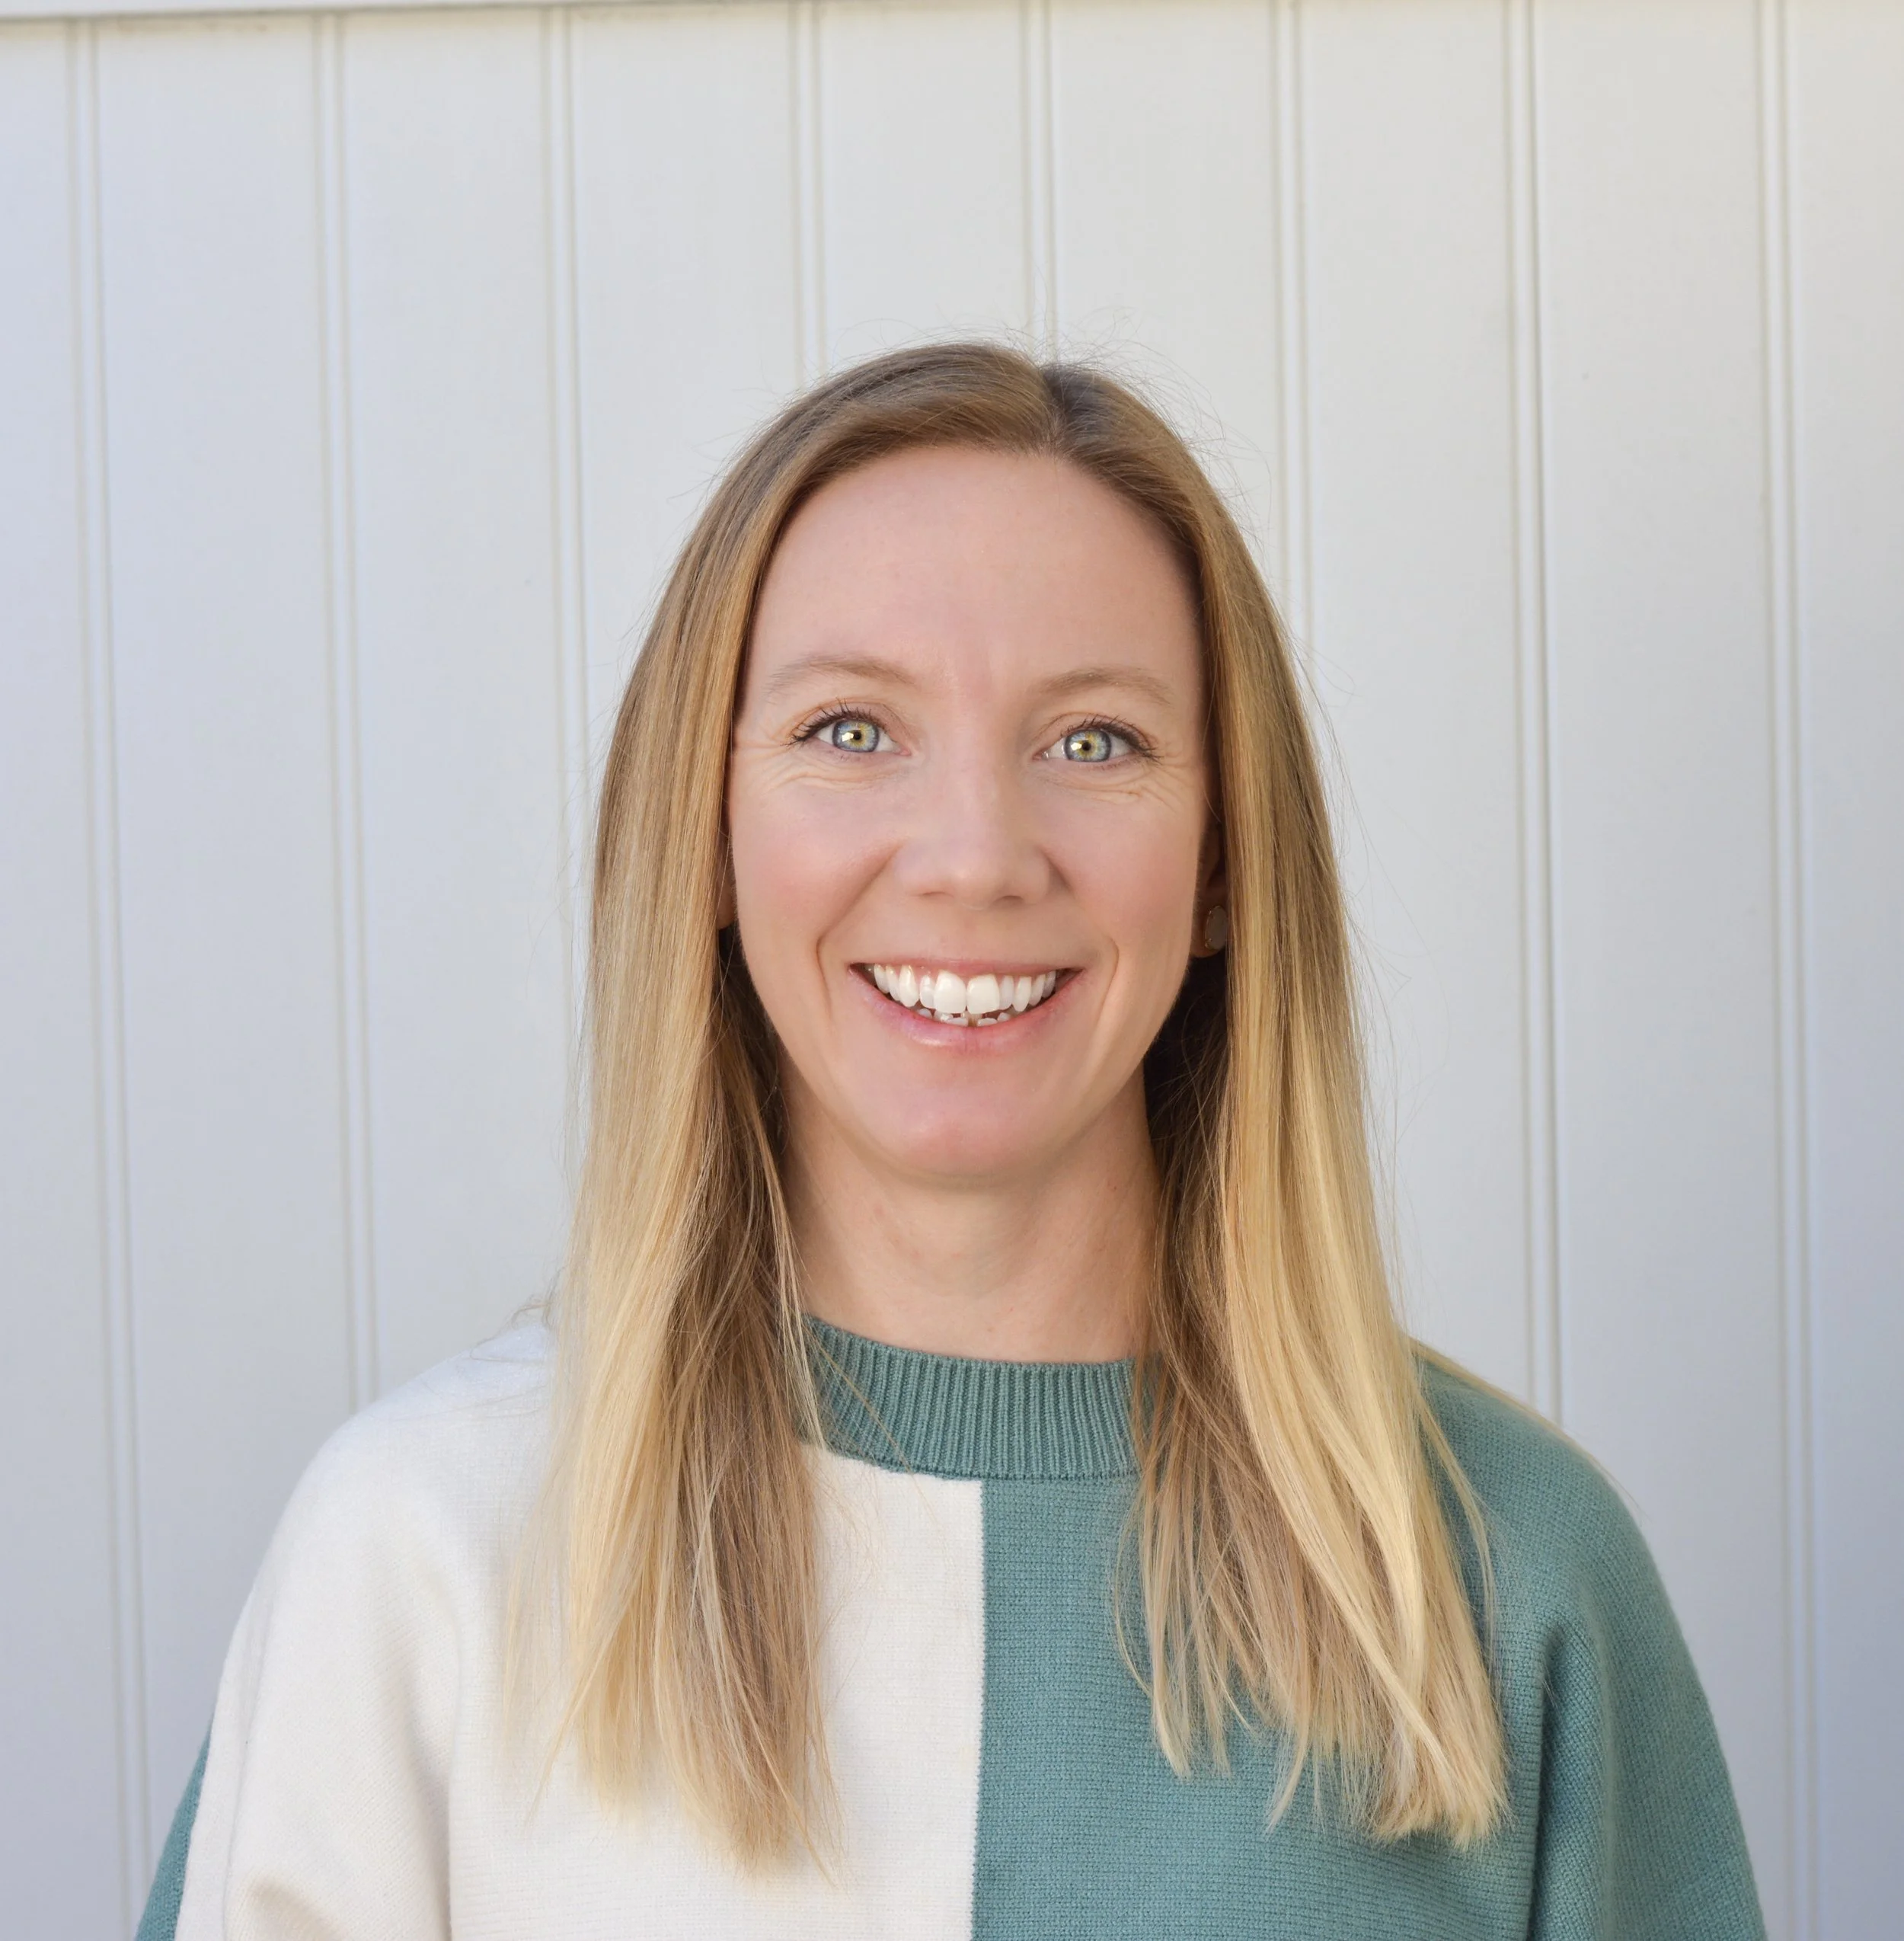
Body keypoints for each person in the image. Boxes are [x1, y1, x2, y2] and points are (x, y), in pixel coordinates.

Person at [140, 343, 1765, 1939]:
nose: (975, 856)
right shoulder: (416, 1557)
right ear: (705, 834)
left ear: (1221, 862)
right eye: (851, 728)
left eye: (1094, 740)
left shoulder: (1502, 1575)